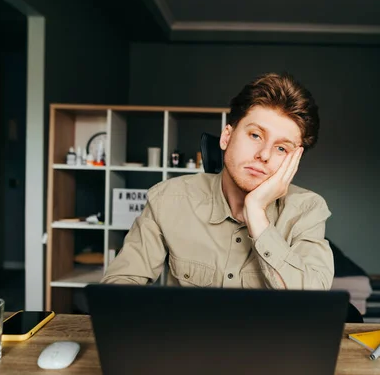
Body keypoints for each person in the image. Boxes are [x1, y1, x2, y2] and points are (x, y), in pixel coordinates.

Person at [101, 72, 333, 289]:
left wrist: (256, 213)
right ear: (226, 137)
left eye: (281, 148)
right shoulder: (168, 199)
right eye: (255, 135)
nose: (264, 154)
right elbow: (119, 285)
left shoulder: (306, 209)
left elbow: (314, 296)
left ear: (294, 160)